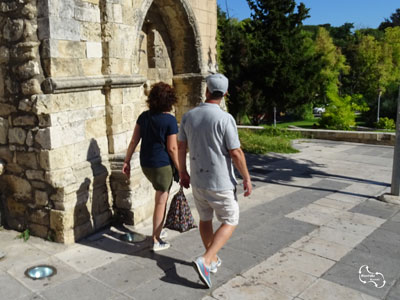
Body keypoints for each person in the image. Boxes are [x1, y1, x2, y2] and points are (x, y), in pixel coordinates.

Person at [178, 73, 252, 288]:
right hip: (220, 181)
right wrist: (246, 178)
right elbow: (236, 152)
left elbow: (181, 146)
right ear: (225, 93)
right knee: (231, 219)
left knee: (205, 218)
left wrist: (182, 172)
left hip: (198, 180)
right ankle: (206, 259)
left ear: (206, 90)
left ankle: (211, 259)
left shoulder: (188, 116)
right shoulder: (225, 118)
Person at [122, 82, 179, 252]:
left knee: (159, 199)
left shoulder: (143, 116)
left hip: (145, 163)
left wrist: (126, 161)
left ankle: (158, 230)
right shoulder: (170, 120)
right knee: (161, 201)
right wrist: (181, 169)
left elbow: (134, 141)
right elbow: (172, 148)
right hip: (162, 165)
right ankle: (156, 239)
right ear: (169, 100)